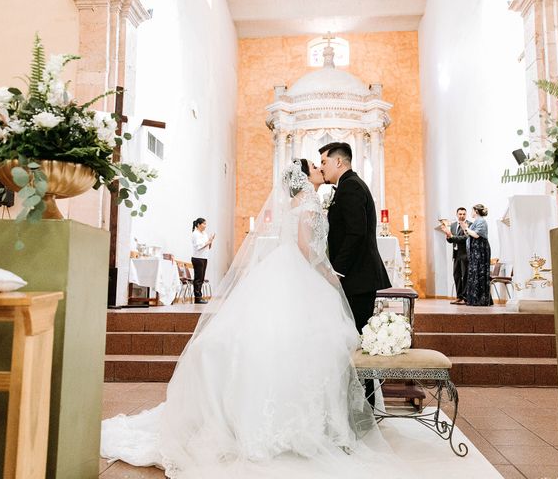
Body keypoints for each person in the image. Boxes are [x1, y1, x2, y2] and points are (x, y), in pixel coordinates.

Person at [101, 159, 403, 479]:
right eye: (314, 166)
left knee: (287, 341)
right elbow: (306, 247)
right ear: (304, 177)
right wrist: (328, 274)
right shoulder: (309, 203)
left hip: (286, 271)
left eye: (321, 163)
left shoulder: (296, 203)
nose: (319, 167)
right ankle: (308, 421)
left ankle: (282, 416)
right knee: (312, 342)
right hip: (303, 274)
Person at [319, 142, 392, 406]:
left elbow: (356, 231)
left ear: (339, 162)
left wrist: (337, 270)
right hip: (357, 278)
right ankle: (362, 404)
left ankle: (366, 405)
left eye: (324, 162)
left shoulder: (350, 186)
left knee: (358, 341)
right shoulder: (349, 185)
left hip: (357, 279)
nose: (322, 168)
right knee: (355, 340)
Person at [462, 204, 493, 306]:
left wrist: (467, 228)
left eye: (472, 210)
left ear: (475, 211)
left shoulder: (481, 221)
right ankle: (474, 299)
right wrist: (465, 229)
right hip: (476, 250)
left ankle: (480, 299)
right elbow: (470, 234)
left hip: (480, 250)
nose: (471, 212)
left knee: (480, 272)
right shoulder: (477, 221)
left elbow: (476, 235)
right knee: (475, 273)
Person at [440, 207, 470, 305]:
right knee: (456, 275)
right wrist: (448, 235)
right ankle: (459, 297)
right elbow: (450, 240)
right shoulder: (453, 225)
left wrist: (451, 236)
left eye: (463, 214)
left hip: (465, 254)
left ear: (466, 215)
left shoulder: (469, 225)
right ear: (456, 215)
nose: (462, 216)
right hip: (456, 254)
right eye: (460, 214)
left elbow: (465, 238)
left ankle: (465, 298)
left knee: (465, 276)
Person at [191, 217, 215, 304]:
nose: (205, 226)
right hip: (197, 258)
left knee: (201, 278)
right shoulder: (195, 234)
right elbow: (198, 246)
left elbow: (208, 246)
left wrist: (210, 241)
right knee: (198, 279)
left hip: (204, 258)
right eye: (204, 224)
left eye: (206, 224)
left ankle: (199, 296)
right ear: (198, 224)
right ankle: (197, 298)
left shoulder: (204, 233)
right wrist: (208, 242)